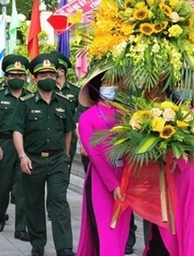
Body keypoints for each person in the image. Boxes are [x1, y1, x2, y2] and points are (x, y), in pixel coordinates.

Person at [12, 53, 75, 256]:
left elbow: (68, 132)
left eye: (51, 73)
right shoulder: (25, 103)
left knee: (59, 201)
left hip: (57, 159)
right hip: (33, 159)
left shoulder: (63, 102)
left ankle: (64, 246)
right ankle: (37, 242)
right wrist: (22, 156)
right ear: (34, 78)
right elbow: (17, 131)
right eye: (43, 74)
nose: (48, 77)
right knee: (34, 201)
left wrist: (66, 156)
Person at [143, 81, 194, 256]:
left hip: (191, 182)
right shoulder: (158, 116)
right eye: (177, 85)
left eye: (186, 85)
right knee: (162, 231)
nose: (182, 89)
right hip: (164, 181)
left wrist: (177, 159)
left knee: (192, 227)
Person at [76, 69, 133, 256]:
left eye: (114, 83)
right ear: (96, 88)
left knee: (120, 233)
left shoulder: (126, 116)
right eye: (107, 84)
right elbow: (96, 156)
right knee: (104, 232)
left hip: (124, 178)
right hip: (102, 181)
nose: (112, 88)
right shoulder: (87, 118)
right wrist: (113, 185)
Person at [0, 54, 29, 241]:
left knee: (23, 188)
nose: (17, 78)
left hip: (24, 146)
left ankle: (21, 227)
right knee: (2, 185)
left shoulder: (31, 97)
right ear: (6, 77)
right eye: (13, 75)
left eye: (21, 75)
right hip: (4, 144)